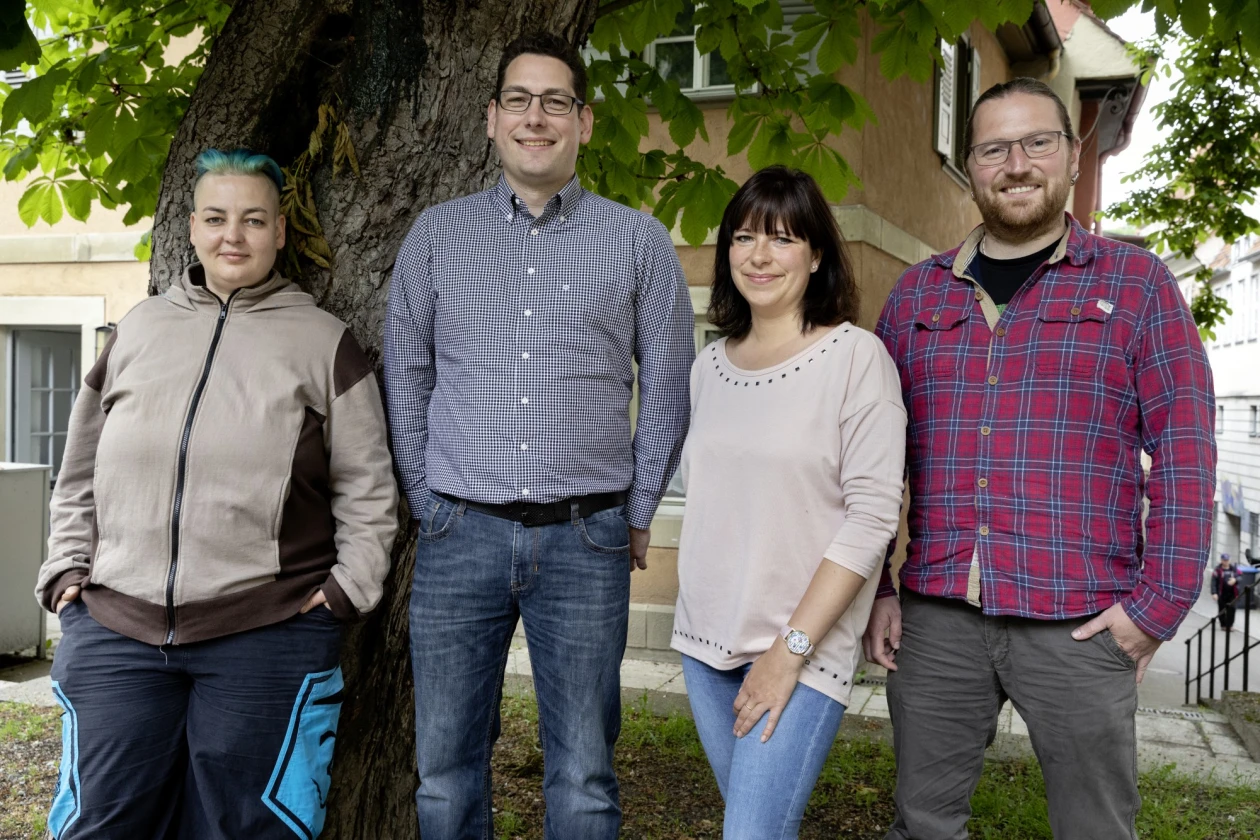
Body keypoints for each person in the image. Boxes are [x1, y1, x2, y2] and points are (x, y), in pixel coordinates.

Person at [861, 78, 1215, 840]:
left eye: (1037, 143)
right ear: (971, 164)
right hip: (937, 619)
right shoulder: (917, 297)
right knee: (921, 822)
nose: (1016, 164)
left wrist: (1156, 609)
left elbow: (1187, 453)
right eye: (993, 148)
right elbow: (873, 458)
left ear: (1070, 152)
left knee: (1095, 828)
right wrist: (881, 587)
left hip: (1083, 622)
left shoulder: (1137, 284)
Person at [33, 149, 399, 839]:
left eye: (254, 219)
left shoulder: (323, 343)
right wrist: (67, 571)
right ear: (192, 227)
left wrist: (347, 590)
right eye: (217, 217)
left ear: (281, 232)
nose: (234, 235)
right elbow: (78, 467)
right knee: (98, 825)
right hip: (117, 628)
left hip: (265, 633)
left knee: (248, 830)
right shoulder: (138, 330)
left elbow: (368, 488)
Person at [384, 32, 694, 839]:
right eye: (519, 100)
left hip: (585, 540)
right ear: (490, 119)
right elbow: (407, 376)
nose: (536, 117)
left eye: (555, 101)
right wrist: (428, 501)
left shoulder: (638, 241)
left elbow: (666, 383)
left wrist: (636, 511)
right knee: (445, 775)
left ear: (584, 122)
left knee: (585, 773)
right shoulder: (436, 236)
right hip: (460, 533)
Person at [671, 166, 905, 838]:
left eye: (781, 238)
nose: (759, 255)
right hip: (704, 642)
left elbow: (870, 520)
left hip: (801, 647)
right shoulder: (707, 367)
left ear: (818, 254)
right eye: (743, 237)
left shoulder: (857, 360)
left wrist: (789, 651)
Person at [1212, 553, 1240, 631]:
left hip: (1232, 593)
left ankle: (1230, 625)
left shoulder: (1233, 569)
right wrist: (1214, 592)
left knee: (1232, 609)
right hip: (1221, 593)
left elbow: (1240, 577)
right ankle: (1223, 625)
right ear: (1221, 560)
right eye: (1224, 560)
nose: (1226, 562)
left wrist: (1235, 580)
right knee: (1222, 609)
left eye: (1227, 560)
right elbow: (1214, 582)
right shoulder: (1217, 570)